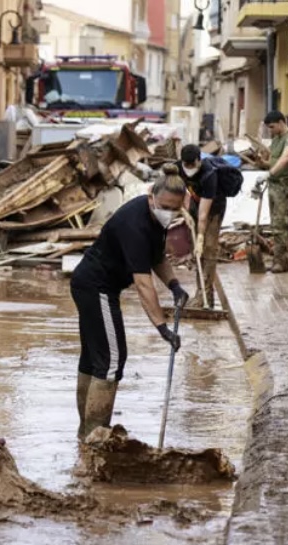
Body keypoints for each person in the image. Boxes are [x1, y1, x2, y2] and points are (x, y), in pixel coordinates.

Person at [70, 165, 189, 442]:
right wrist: (162, 328)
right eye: (165, 206)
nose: (169, 213)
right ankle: (95, 437)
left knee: (94, 358)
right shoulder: (134, 223)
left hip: (93, 285)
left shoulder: (157, 221)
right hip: (96, 286)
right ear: (151, 196)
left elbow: (157, 258)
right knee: (111, 361)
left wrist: (174, 285)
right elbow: (143, 282)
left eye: (175, 209)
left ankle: (86, 433)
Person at [178, 145, 240, 308]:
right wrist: (184, 212)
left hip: (214, 207)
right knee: (197, 253)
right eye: (187, 165)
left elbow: (204, 214)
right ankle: (202, 293)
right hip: (194, 203)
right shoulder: (179, 167)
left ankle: (205, 296)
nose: (189, 169)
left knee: (208, 249)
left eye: (192, 165)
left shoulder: (209, 174)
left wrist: (200, 237)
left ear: (199, 160)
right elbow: (177, 191)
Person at [260, 111, 288, 273]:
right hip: (274, 185)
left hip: (285, 186)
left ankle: (282, 263)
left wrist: (270, 173)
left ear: (281, 122)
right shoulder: (276, 139)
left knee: (281, 225)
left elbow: (285, 158)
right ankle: (278, 260)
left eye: (272, 127)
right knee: (275, 225)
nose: (271, 130)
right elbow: (272, 161)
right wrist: (262, 163)